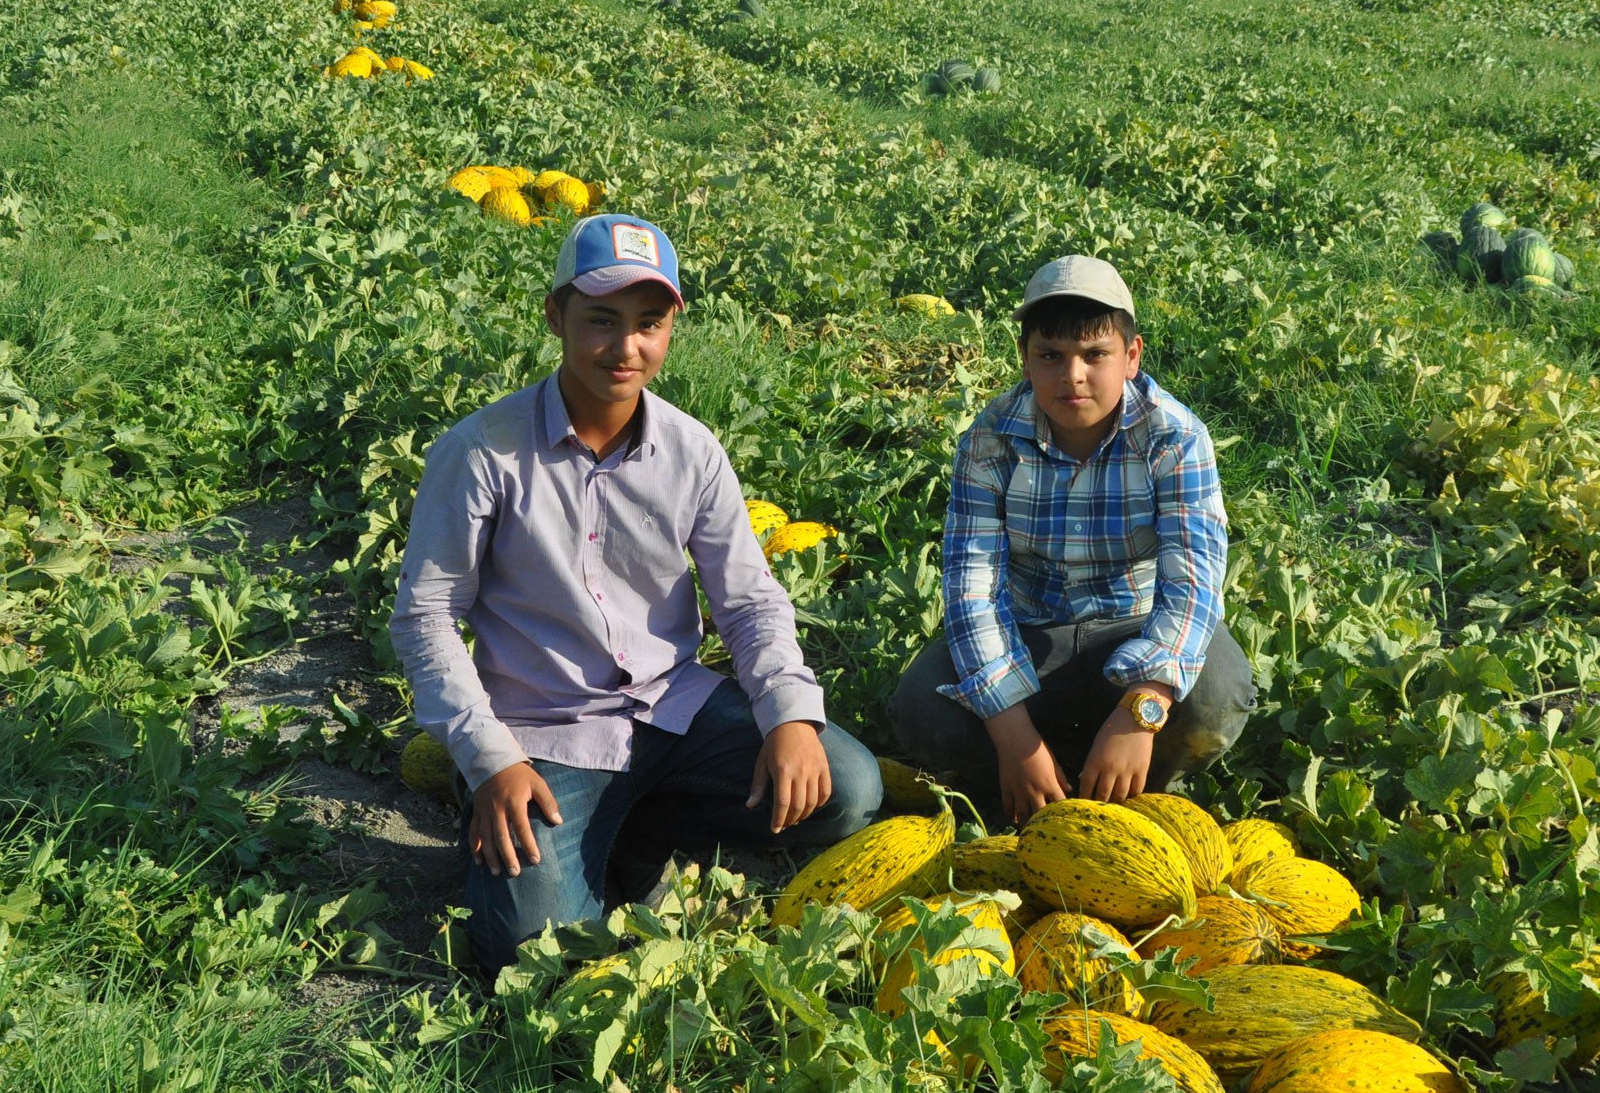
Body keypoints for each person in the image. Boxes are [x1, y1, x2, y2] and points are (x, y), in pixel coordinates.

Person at [391, 213, 883, 973]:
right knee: (538, 955)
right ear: (556, 316)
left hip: (671, 708)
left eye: (648, 324)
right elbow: (426, 619)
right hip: (543, 733)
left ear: (673, 325)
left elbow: (749, 601)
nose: (626, 348)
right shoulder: (480, 452)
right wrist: (490, 761)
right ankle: (539, 829)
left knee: (847, 786)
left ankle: (641, 821)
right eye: (601, 321)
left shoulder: (691, 451)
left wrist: (788, 714)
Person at [889, 255, 1254, 823]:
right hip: (1031, 632)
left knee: (1217, 695)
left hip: (1135, 623)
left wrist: (1141, 708)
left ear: (1131, 357)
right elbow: (972, 593)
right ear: (1025, 360)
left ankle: (1124, 782)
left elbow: (1193, 585)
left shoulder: (1175, 439)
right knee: (920, 709)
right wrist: (1013, 738)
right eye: (1051, 357)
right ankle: (1039, 774)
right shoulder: (990, 441)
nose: (1073, 375)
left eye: (1095, 355)